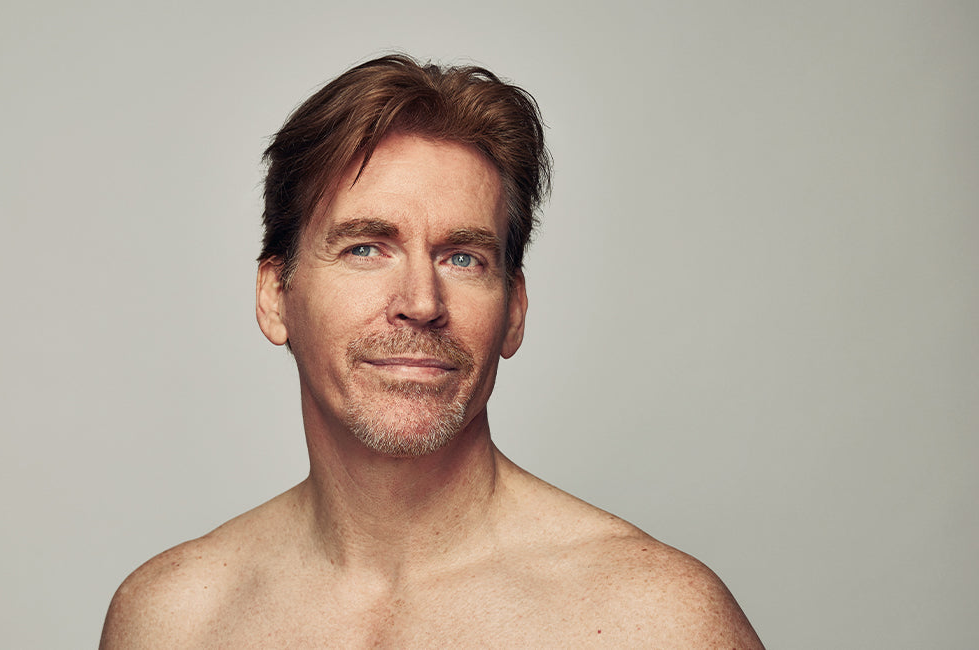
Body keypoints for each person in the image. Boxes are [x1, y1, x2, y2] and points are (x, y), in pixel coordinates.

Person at [100, 54, 763, 648]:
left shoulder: (656, 621)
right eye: (365, 248)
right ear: (276, 296)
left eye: (463, 257)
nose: (421, 301)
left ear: (514, 311)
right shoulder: (171, 620)